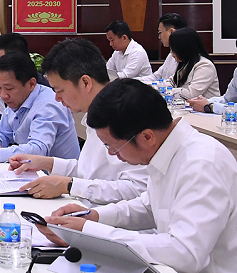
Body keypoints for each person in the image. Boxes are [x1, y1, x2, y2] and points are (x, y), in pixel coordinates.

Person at [43, 80, 237, 273]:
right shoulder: (167, 150)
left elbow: (185, 253)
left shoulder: (202, 163)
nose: (113, 155)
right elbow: (149, 206)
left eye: (114, 147)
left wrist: (91, 232)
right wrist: (93, 216)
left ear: (146, 137)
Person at [8, 39, 147, 203]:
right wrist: (46, 163)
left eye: (60, 90)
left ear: (85, 82)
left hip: (109, 215)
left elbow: (138, 190)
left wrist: (69, 186)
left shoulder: (123, 115)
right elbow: (89, 172)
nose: (57, 98)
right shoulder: (96, 113)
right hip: (89, 209)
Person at [0, 52, 80, 163]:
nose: (3, 95)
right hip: (30, 171)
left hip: (56, 175)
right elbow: (2, 130)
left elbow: (38, 149)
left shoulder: (48, 106)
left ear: (31, 84)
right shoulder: (18, 99)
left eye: (9, 88)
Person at [162, 27, 219, 100]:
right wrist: (155, 87)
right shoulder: (185, 64)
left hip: (205, 107)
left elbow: (191, 94)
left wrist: (167, 91)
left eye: (174, 49)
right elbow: (171, 82)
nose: (171, 53)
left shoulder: (205, 66)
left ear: (184, 48)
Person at [139, 13, 187, 84]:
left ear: (171, 32)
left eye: (160, 32)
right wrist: (133, 81)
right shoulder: (171, 54)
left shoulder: (186, 56)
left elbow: (172, 84)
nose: (159, 37)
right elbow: (156, 77)